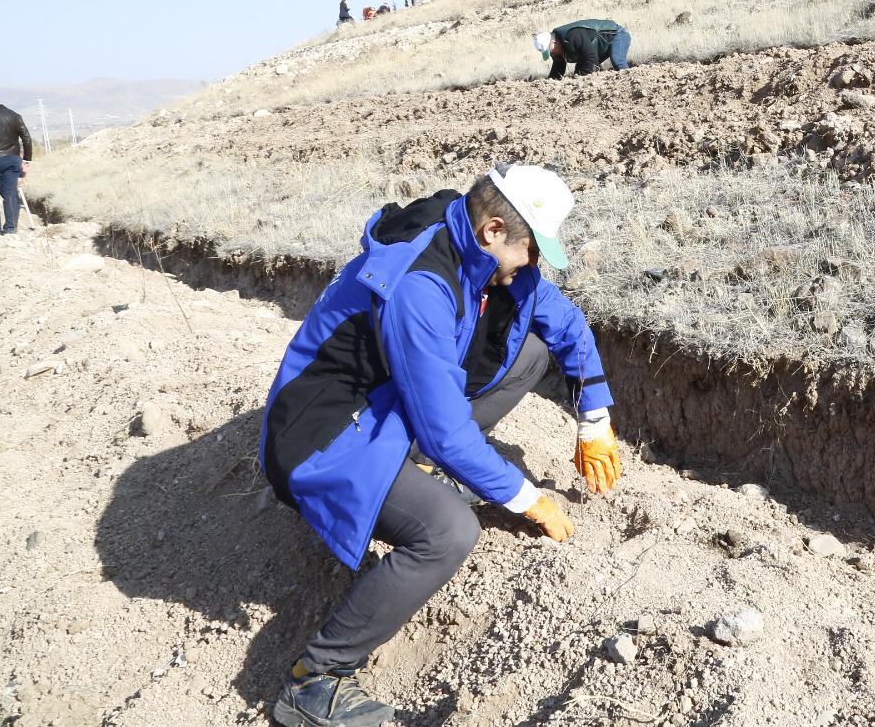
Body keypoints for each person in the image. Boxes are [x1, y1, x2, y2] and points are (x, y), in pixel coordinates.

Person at [260, 163, 620, 726]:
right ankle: (316, 680)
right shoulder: (422, 284)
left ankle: (431, 474)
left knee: (528, 353)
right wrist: (526, 497)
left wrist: (594, 419)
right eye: (530, 250)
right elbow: (444, 431)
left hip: (387, 407)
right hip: (324, 435)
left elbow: (566, 323)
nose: (534, 264)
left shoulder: (478, 251)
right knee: (448, 531)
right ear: (494, 230)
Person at [0, 93, 33, 237]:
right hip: (12, 160)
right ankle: (10, 228)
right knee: (10, 194)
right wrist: (27, 159)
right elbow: (26, 138)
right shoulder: (14, 115)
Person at [535, 19, 631, 78]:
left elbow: (591, 58)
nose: (551, 53)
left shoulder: (573, 35)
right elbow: (559, 66)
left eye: (550, 50)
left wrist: (581, 79)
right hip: (598, 48)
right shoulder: (556, 48)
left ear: (554, 42)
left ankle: (632, 80)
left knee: (618, 63)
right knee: (580, 71)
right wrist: (551, 83)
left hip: (616, 35)